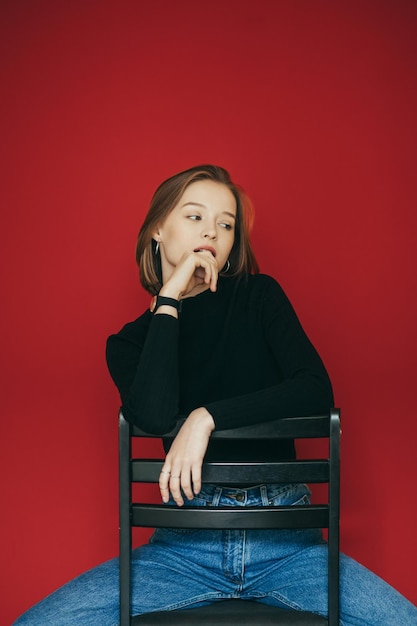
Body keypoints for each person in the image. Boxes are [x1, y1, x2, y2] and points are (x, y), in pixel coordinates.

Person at [14, 164, 416, 625]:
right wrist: (169, 300)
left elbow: (314, 387)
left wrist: (206, 417)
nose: (212, 232)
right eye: (194, 217)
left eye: (226, 224)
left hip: (286, 541)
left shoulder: (259, 297)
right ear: (158, 231)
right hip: (183, 549)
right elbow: (154, 412)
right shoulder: (128, 344)